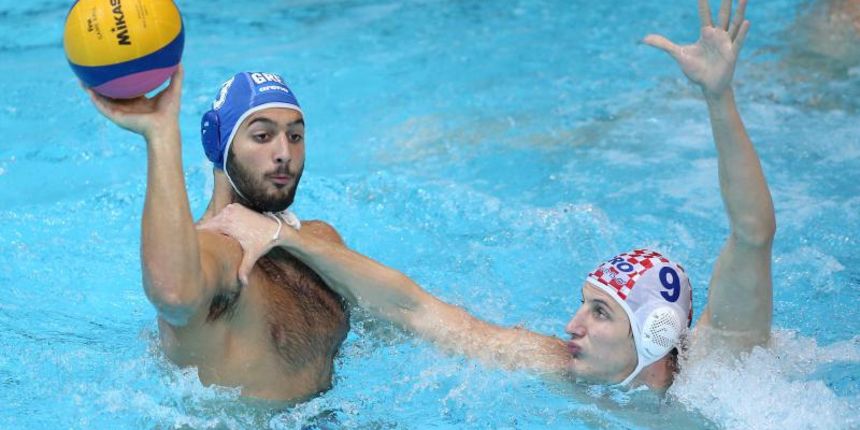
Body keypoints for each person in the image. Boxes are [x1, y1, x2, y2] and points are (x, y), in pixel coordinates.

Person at [201, 0, 773, 392]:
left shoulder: (720, 379)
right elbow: (415, 309)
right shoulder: (564, 366)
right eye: (584, 303)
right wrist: (285, 236)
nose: (571, 325)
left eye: (599, 313)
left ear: (655, 333)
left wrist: (719, 99)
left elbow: (753, 233)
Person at [86, 71, 350, 402]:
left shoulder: (319, 239)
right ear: (218, 144)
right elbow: (173, 294)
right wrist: (161, 134)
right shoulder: (212, 253)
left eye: (295, 136)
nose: (284, 152)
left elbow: (402, 315)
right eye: (263, 136)